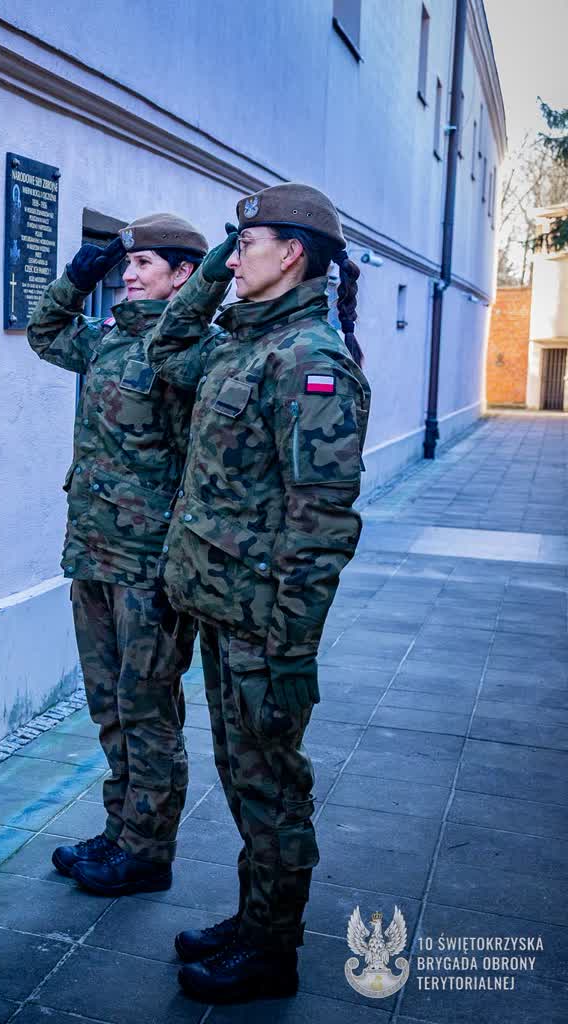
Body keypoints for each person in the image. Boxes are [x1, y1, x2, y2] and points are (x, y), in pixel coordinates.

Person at [144, 183, 370, 1003]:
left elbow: (322, 524)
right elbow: (166, 347)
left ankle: (272, 951)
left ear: (293, 254)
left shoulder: (310, 361)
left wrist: (291, 651)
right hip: (221, 607)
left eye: (245, 246)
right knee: (243, 778)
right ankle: (252, 922)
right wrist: (215, 269)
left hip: (263, 627)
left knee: (271, 787)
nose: (233, 260)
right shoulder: (242, 343)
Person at [25, 214, 216, 897]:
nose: (128, 275)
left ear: (184, 275)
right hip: (93, 554)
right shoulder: (111, 340)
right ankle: (120, 833)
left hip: (148, 566)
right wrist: (76, 279)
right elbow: (44, 333)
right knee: (109, 704)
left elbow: (203, 468)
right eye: (125, 264)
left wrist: (179, 566)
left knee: (149, 710)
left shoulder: (192, 353)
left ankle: (148, 852)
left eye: (143, 265)